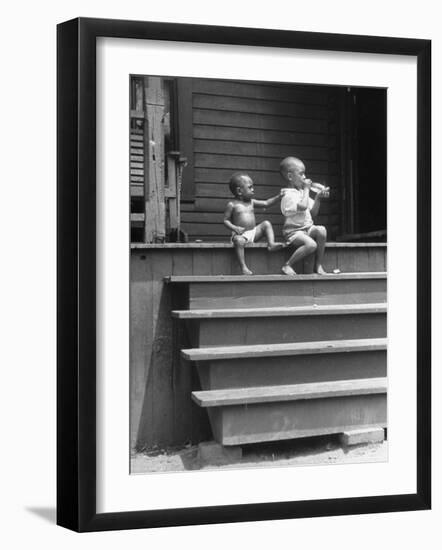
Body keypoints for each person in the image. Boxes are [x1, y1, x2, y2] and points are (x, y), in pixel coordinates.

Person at [223, 172, 284, 275]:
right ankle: (244, 267)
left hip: (253, 233)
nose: (253, 190)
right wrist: (234, 228)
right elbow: (225, 220)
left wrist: (278, 197)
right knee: (238, 241)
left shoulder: (252, 202)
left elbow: (266, 203)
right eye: (250, 187)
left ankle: (271, 244)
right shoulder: (232, 204)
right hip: (240, 235)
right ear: (239, 191)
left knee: (266, 224)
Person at [279, 156, 329, 275]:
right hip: (294, 232)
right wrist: (307, 189)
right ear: (290, 176)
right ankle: (287, 265)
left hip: (307, 229)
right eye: (301, 174)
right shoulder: (288, 195)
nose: (305, 177)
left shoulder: (302, 192)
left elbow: (313, 213)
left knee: (322, 230)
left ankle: (318, 265)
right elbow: (302, 206)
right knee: (311, 245)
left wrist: (318, 198)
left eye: (304, 174)